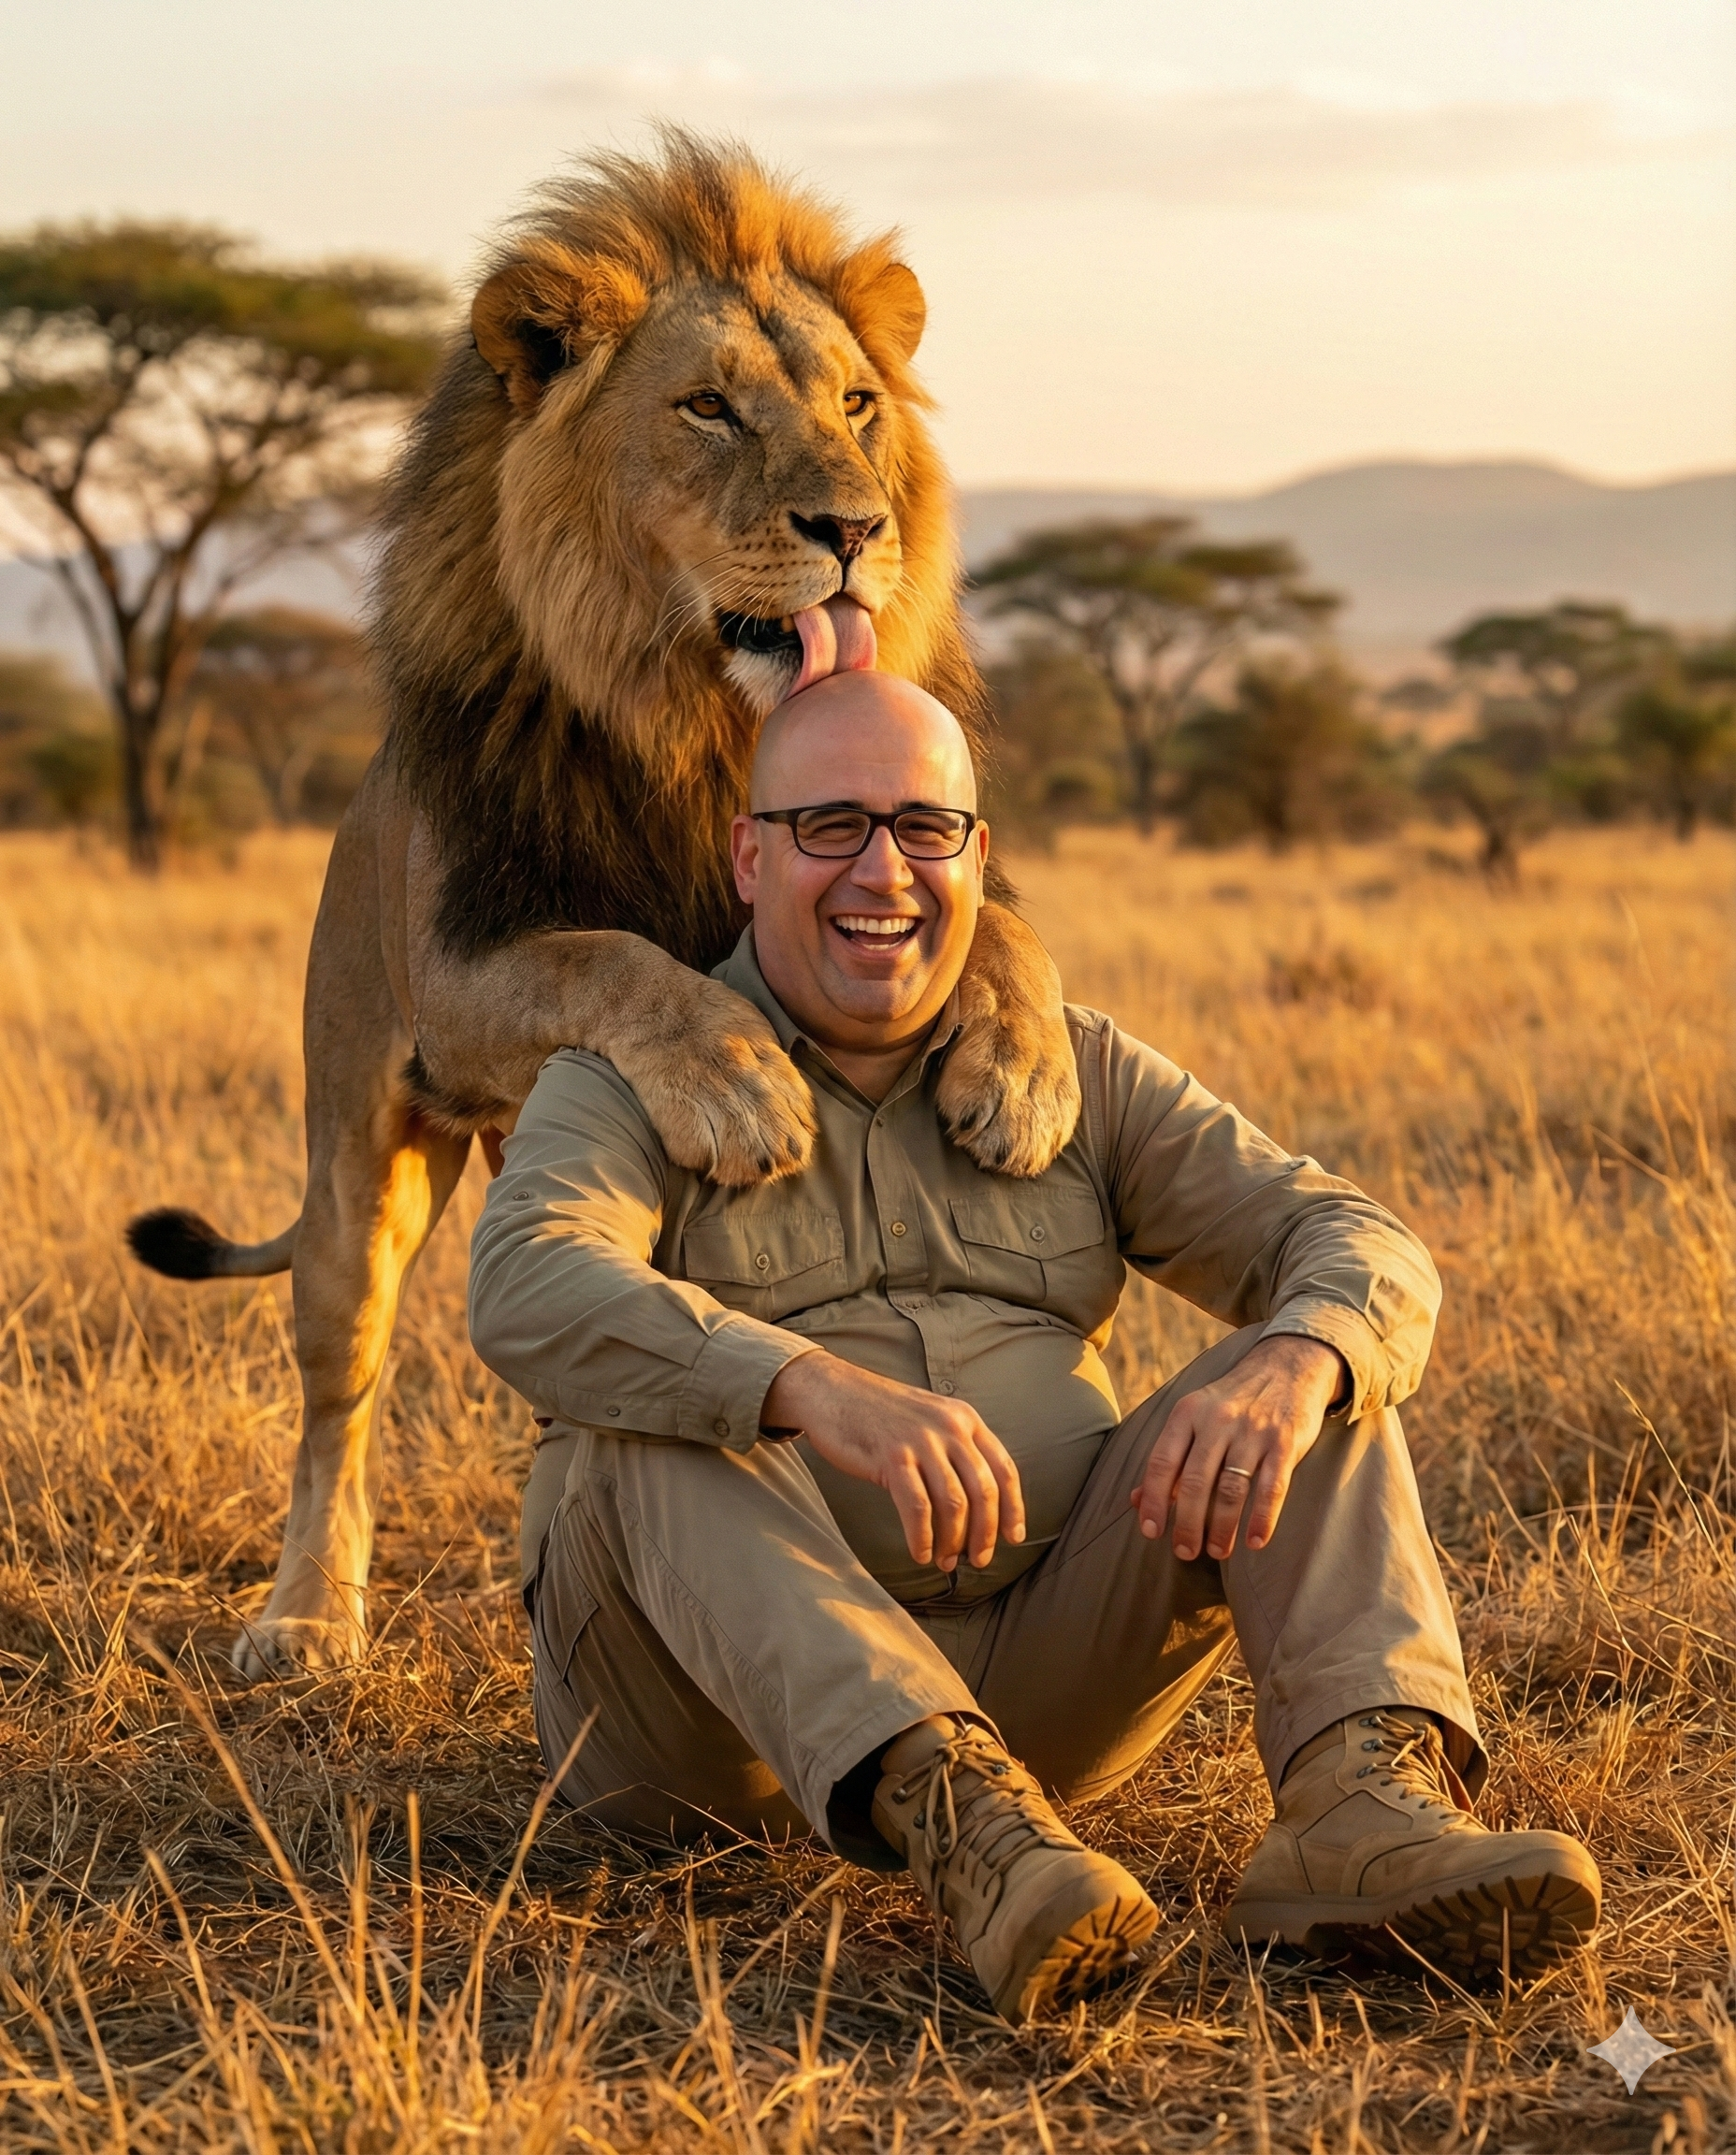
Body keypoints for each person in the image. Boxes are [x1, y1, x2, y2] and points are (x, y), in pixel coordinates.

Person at [468, 671, 1600, 2024]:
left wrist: (1297, 1359)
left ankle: (1363, 1816)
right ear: (749, 857)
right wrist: (801, 1385)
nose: (882, 870)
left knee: (1314, 1366)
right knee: (659, 1417)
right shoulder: (625, 1078)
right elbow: (527, 1279)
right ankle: (967, 1833)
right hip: (699, 1729)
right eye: (831, 826)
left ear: (976, 855)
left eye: (923, 827)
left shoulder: (1082, 1068)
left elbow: (1354, 1238)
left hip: (1041, 1682)